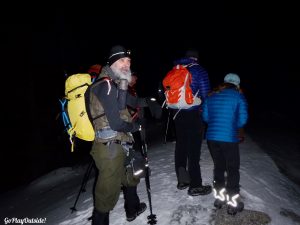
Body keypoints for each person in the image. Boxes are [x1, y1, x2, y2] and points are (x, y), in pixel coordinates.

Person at [86, 45, 148, 224]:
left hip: (120, 142)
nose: (126, 64)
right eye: (122, 60)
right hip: (109, 147)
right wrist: (137, 126)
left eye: (128, 61)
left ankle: (133, 209)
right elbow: (116, 123)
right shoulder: (104, 86)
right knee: (107, 193)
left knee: (129, 177)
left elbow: (133, 101)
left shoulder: (115, 84)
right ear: (112, 62)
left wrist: (151, 102)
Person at [202, 73, 248, 215]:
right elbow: (242, 120)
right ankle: (233, 203)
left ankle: (220, 199)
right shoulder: (239, 96)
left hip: (212, 138)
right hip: (229, 138)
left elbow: (205, 117)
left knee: (219, 167)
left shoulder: (211, 95)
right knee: (233, 169)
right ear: (237, 84)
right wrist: (231, 126)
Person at [172, 49, 212, 196]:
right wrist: (206, 114)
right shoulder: (199, 70)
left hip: (177, 113)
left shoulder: (176, 69)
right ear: (196, 58)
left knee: (181, 146)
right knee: (193, 151)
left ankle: (183, 180)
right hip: (194, 114)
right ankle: (195, 185)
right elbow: (206, 94)